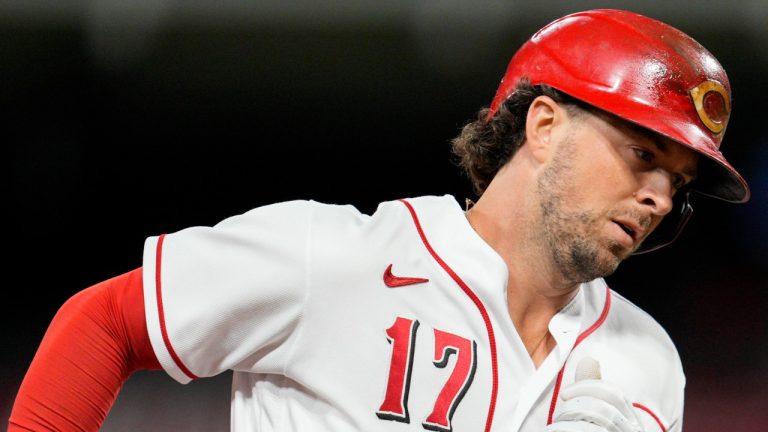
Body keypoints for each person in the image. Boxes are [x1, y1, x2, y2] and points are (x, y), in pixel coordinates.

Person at [8, 8, 750, 432]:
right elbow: (106, 322)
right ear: (545, 126)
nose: (660, 198)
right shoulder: (335, 259)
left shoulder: (647, 362)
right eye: (642, 155)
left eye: (678, 184)